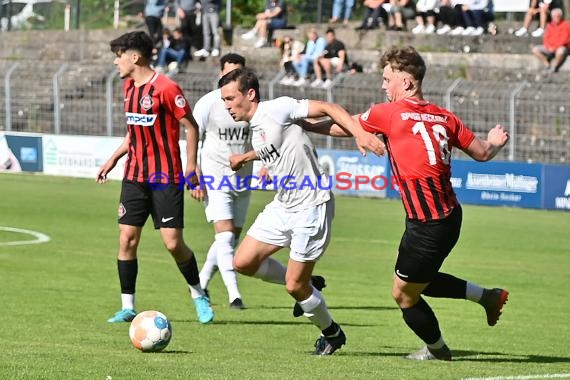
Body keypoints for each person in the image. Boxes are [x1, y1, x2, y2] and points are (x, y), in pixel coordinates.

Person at [302, 45, 510, 361]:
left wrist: (301, 124)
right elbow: (482, 152)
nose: (383, 86)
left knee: (403, 293)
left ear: (407, 82)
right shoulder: (446, 116)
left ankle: (438, 351)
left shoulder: (388, 113)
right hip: (448, 217)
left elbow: (345, 126)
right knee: (417, 282)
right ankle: (488, 297)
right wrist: (494, 141)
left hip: (428, 225)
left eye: (387, 79)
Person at [218, 67, 384, 354]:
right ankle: (308, 283)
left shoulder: (278, 108)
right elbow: (273, 146)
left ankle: (332, 334)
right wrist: (250, 158)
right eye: (224, 100)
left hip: (311, 205)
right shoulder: (256, 129)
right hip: (284, 204)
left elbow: (329, 108)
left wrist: (360, 134)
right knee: (242, 262)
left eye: (231, 98)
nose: (227, 105)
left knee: (295, 287)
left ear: (251, 94)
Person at [97, 31, 214, 325]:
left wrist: (191, 166)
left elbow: (191, 127)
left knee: (173, 243)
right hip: (134, 176)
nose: (115, 62)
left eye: (119, 55)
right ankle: (128, 306)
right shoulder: (128, 88)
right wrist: (113, 158)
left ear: (134, 57)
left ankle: (198, 293)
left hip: (165, 176)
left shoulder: (166, 87)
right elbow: (133, 131)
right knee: (127, 238)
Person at [190, 53, 251, 310]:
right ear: (220, 75)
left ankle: (201, 282)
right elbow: (193, 134)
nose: (233, 79)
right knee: (225, 237)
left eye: (238, 74)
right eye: (229, 74)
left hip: (243, 179)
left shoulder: (251, 103)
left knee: (228, 240)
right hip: (215, 176)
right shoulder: (208, 104)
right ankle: (234, 294)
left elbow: (262, 134)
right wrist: (194, 175)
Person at [531, 8, 570, 73]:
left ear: (561, 16)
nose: (556, 18)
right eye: (554, 16)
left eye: (557, 16)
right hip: (550, 47)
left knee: (560, 51)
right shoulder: (549, 25)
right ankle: (547, 65)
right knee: (535, 49)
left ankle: (555, 67)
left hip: (561, 47)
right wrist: (548, 47)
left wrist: (554, 47)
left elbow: (565, 39)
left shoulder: (566, 25)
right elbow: (546, 38)